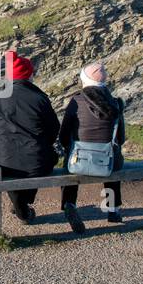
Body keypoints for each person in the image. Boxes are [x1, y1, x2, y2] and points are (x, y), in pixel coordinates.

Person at [0, 50, 60, 223]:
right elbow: (54, 130)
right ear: (29, 75)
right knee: (42, 160)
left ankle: (21, 205)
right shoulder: (40, 99)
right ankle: (23, 204)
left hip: (3, 161)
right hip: (36, 161)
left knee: (9, 164)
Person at [58, 61, 125, 234]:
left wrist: (68, 147)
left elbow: (64, 135)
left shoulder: (77, 101)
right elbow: (120, 138)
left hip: (79, 158)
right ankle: (112, 209)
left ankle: (69, 204)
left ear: (84, 79)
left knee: (70, 165)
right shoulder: (115, 103)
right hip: (106, 160)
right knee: (111, 161)